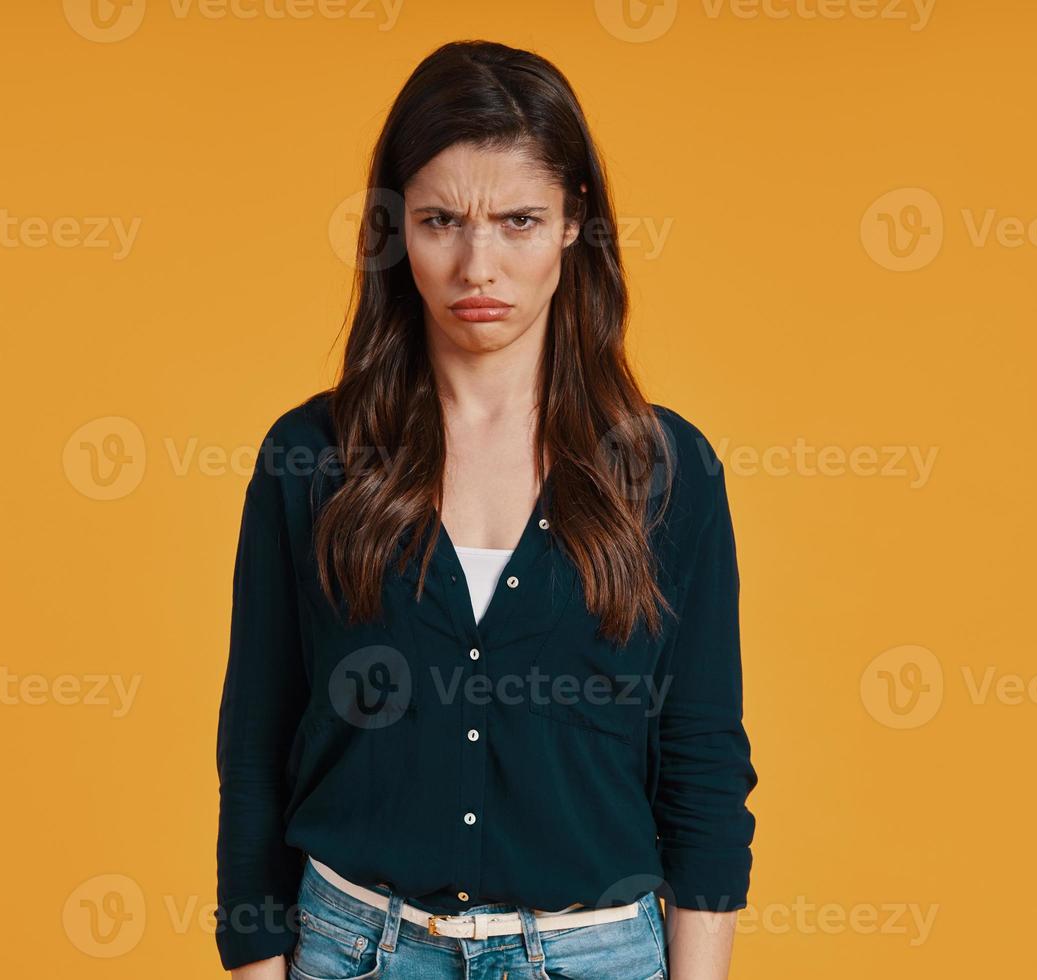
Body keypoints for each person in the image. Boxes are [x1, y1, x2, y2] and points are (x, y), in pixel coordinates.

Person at [216, 39, 758, 980]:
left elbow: (703, 758)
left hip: (599, 958)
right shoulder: (310, 459)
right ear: (394, 230)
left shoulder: (667, 472)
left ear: (572, 225)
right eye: (439, 222)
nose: (478, 266)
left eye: (518, 221)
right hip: (356, 952)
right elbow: (256, 742)